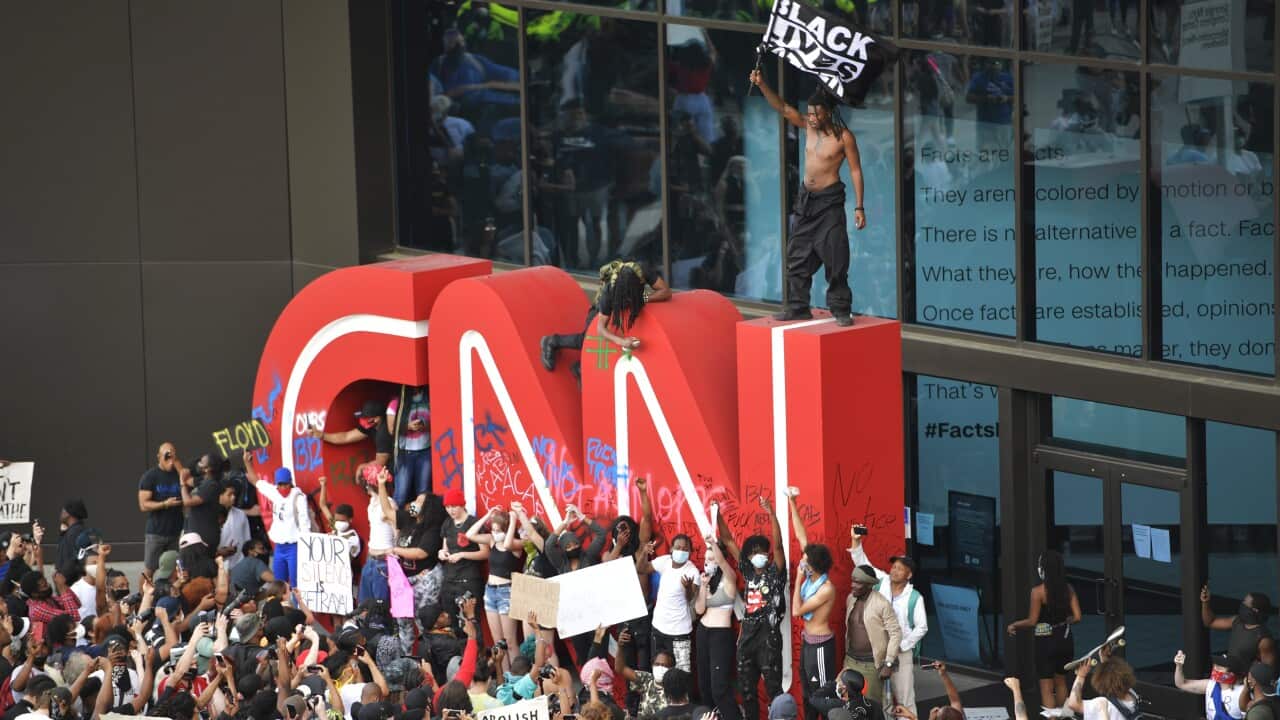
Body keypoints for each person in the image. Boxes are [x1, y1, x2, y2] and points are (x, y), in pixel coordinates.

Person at [749, 71, 865, 326]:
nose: (811, 118)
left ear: (828, 113)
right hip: (806, 201)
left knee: (836, 257)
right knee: (797, 257)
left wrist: (859, 206)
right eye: (809, 113)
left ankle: (841, 309)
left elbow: (856, 170)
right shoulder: (808, 127)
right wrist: (762, 83)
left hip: (830, 202)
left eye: (816, 114)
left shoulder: (843, 137)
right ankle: (798, 307)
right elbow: (782, 107)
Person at [715, 495, 786, 720]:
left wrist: (771, 514)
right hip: (747, 637)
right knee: (746, 691)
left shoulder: (775, 573)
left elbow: (779, 544)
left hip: (769, 637)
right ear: (749, 555)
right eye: (754, 551)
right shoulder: (746, 570)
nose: (759, 555)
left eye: (763, 551)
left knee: (774, 691)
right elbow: (727, 540)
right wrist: (716, 515)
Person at [540, 260, 672, 380]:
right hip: (601, 310)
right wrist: (621, 342)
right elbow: (600, 329)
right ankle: (552, 341)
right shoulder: (609, 293)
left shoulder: (642, 270)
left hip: (626, 310)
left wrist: (643, 298)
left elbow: (665, 291)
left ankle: (579, 367)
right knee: (586, 339)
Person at [849, 528, 927, 717]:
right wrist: (856, 541)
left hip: (902, 654)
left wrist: (902, 645)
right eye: (894, 567)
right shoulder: (882, 581)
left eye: (900, 569)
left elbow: (922, 627)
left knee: (904, 698)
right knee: (883, 700)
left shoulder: (915, 597)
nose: (894, 571)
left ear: (909, 575)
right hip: (880, 653)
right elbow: (862, 563)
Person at [1006, 550, 1082, 709]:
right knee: (1061, 682)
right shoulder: (1068, 589)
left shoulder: (1038, 592)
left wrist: (1014, 625)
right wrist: (1065, 620)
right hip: (1065, 639)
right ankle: (1063, 716)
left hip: (1045, 641)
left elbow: (1032, 621)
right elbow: (1077, 617)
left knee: (1046, 687)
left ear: (1044, 569)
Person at [789, 489, 837, 720]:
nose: (802, 562)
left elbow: (797, 610)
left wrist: (798, 578)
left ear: (815, 567)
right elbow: (802, 536)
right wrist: (792, 503)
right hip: (808, 643)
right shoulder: (812, 573)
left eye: (806, 562)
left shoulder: (826, 589)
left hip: (820, 646)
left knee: (822, 695)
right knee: (807, 693)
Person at [465, 507, 522, 673]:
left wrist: (512, 521)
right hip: (490, 591)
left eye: (498, 530)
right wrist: (488, 516)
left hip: (506, 591)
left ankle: (517, 678)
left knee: (510, 641)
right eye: (493, 529)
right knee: (498, 641)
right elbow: (470, 535)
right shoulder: (491, 541)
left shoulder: (515, 545)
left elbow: (509, 543)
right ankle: (503, 677)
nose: (495, 533)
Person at [245, 451, 310, 586]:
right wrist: (247, 463)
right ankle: (283, 606)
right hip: (279, 547)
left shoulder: (298, 497)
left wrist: (306, 546)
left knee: (296, 583)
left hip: (295, 546)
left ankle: (297, 606)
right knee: (279, 583)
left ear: (290, 483)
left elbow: (305, 524)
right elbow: (255, 480)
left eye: (285, 484)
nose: (283, 487)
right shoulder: (275, 493)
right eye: (280, 484)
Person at [842, 562, 900, 708]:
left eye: (857, 582)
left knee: (870, 707)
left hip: (871, 666)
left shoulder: (882, 604)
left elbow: (895, 633)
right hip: (850, 661)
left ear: (869, 585)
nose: (852, 585)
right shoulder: (851, 599)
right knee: (847, 704)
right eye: (852, 580)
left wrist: (888, 663)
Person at [694, 536, 738, 720]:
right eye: (705, 560)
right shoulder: (706, 580)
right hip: (703, 631)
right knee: (704, 684)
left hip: (721, 635)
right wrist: (703, 587)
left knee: (719, 687)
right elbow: (699, 609)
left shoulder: (729, 579)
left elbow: (721, 561)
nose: (707, 563)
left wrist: (713, 544)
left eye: (711, 559)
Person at [650, 535, 700, 673]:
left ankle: (683, 696)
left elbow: (690, 599)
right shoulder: (665, 561)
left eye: (685, 549)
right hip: (658, 628)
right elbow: (641, 568)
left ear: (690, 552)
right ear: (671, 548)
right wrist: (643, 553)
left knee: (681, 673)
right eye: (678, 547)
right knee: (658, 672)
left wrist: (688, 588)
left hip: (680, 632)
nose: (681, 551)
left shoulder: (692, 571)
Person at [307, 399, 394, 475]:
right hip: (389, 462)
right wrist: (321, 435)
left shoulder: (383, 433)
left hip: (399, 463)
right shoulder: (371, 426)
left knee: (371, 473)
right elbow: (346, 437)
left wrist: (361, 467)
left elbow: (380, 463)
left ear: (377, 419)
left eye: (366, 418)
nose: (363, 420)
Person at [438, 488, 488, 614]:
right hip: (449, 579)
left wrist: (462, 554)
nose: (450, 510)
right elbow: (445, 547)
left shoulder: (474, 523)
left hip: (468, 579)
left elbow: (485, 553)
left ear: (462, 505)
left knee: (471, 622)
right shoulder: (447, 523)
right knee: (453, 622)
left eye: (454, 506)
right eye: (447, 507)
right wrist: (442, 553)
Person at [138, 443, 184, 574]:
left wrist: (176, 462)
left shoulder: (178, 473)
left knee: (176, 569)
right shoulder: (150, 476)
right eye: (166, 457)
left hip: (175, 531)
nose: (170, 461)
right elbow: (143, 504)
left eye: (172, 456)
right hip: (156, 532)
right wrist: (164, 504)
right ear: (159, 457)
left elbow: (187, 479)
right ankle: (144, 594)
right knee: (150, 570)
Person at [1202, 585, 1273, 667]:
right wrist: (1205, 602)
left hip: (1242, 677)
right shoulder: (1237, 621)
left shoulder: (1264, 639)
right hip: (1227, 671)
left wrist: (1247, 679)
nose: (1242, 604)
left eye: (1245, 603)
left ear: (1254, 610)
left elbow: (1267, 670)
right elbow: (1210, 622)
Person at [388, 385, 433, 510]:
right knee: (401, 493)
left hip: (425, 451)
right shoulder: (396, 403)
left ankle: (418, 520)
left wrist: (424, 425)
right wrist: (407, 426)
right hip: (404, 453)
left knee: (423, 493)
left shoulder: (429, 399)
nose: (415, 389)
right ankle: (398, 524)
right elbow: (391, 429)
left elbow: (439, 421)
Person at [359, 465, 398, 604]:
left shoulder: (389, 504)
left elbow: (397, 532)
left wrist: (394, 551)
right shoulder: (371, 503)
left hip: (384, 560)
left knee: (379, 608)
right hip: (372, 559)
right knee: (365, 605)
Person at [615, 628, 673, 720]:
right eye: (657, 664)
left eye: (664, 665)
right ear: (652, 665)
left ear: (671, 668)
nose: (660, 668)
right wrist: (620, 647)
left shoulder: (676, 687)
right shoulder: (647, 679)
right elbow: (620, 668)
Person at [1065, 650, 1139, 720]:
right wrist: (1104, 660)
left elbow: (1073, 704)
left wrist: (1081, 675)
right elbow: (1114, 675)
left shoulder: (1102, 703)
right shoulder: (1132, 694)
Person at [1174, 650, 1247, 720]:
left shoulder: (1242, 691)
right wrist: (1179, 666)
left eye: (1219, 667)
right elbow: (1181, 684)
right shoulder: (1210, 685)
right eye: (1215, 666)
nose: (1215, 669)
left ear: (1230, 674)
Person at [55, 500, 88, 572]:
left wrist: (64, 578)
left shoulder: (75, 532)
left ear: (68, 513)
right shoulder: (73, 531)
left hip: (69, 580)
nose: (61, 513)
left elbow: (72, 560)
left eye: (63, 510)